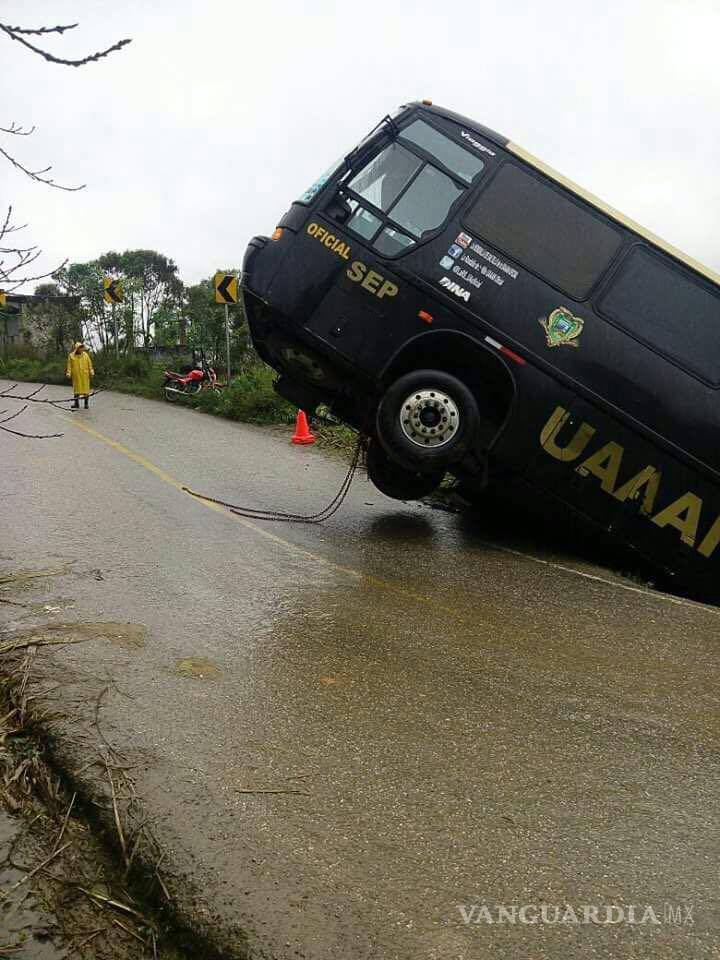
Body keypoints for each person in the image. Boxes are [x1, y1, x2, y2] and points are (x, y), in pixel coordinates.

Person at [65, 341, 95, 410]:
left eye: (82, 348)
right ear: (77, 348)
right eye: (80, 348)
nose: (82, 349)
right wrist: (68, 373)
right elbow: (69, 366)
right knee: (76, 391)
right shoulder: (71, 356)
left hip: (85, 375)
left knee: (86, 391)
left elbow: (89, 364)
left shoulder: (86, 355)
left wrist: (91, 371)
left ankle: (86, 404)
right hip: (76, 376)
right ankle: (76, 404)